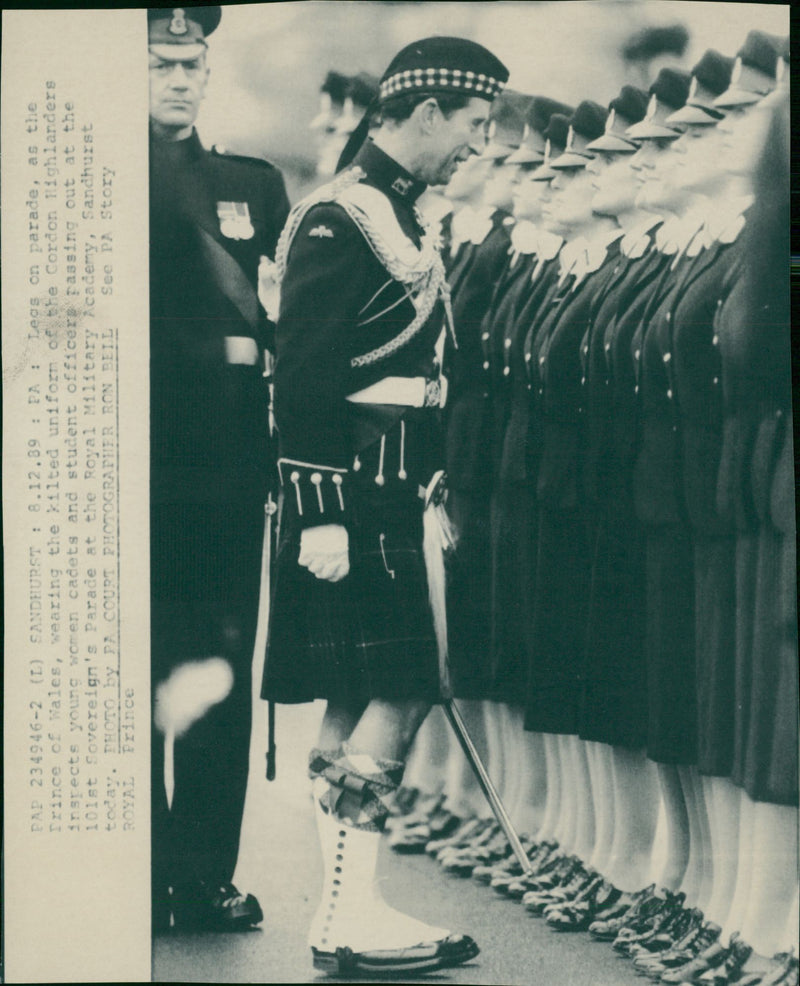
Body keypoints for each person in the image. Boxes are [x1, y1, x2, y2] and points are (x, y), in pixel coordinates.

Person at [261, 35, 509, 976]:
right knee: (400, 686)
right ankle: (343, 914)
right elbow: (310, 370)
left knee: (359, 691)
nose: (478, 144)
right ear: (427, 112)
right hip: (356, 491)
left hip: (398, 485)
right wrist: (320, 508)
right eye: (474, 124)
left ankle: (346, 909)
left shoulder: (394, 212)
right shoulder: (342, 216)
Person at [148, 5, 290, 933]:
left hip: (223, 478)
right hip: (115, 474)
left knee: (215, 674)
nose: (179, 78)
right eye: (161, 62)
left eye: (191, 64)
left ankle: (201, 876)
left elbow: (281, 327)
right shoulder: (72, 173)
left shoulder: (250, 184)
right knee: (117, 676)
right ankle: (125, 861)